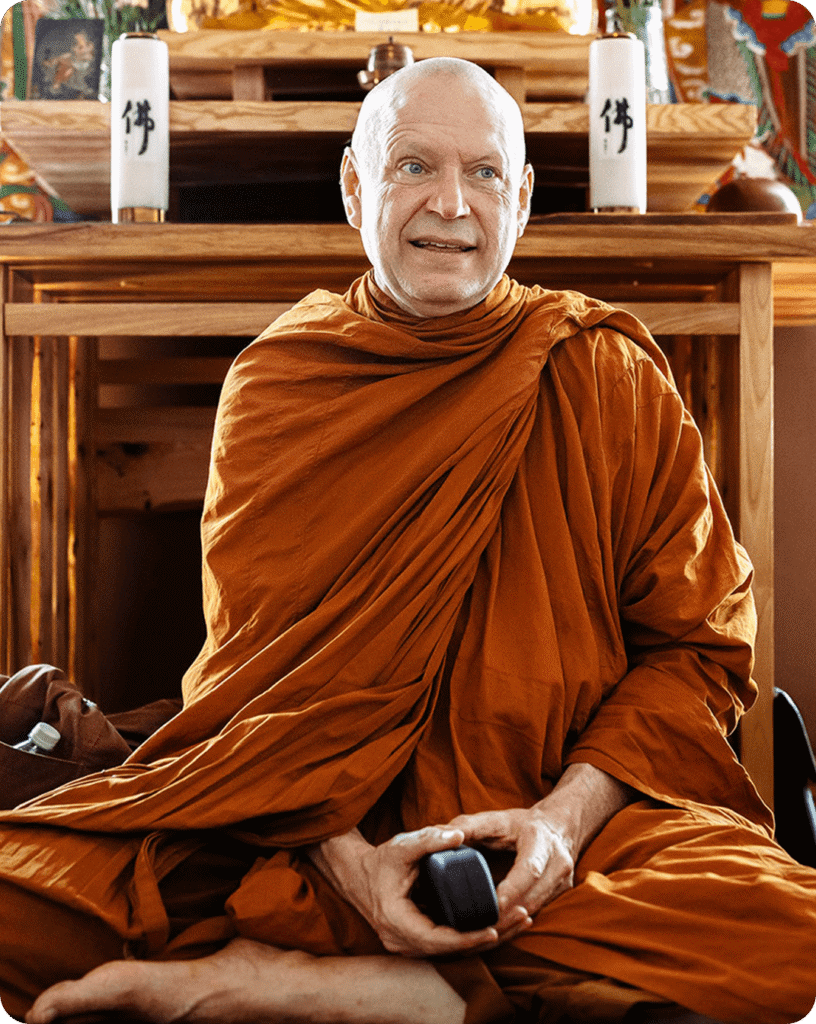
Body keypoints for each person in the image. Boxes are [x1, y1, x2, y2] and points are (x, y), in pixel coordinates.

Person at [0, 56, 814, 1024]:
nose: (451, 206)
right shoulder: (282, 383)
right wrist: (352, 866)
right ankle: (430, 983)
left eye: (483, 173)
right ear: (356, 187)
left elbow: (698, 647)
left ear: (521, 198)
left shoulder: (604, 372)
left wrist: (560, 826)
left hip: (572, 820)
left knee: (794, 946)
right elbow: (249, 685)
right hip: (302, 821)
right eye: (413, 166)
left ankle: (352, 987)